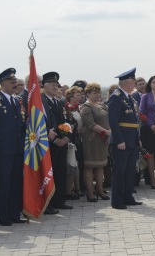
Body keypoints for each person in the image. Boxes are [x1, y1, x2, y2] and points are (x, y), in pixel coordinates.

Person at [108, 68, 142, 209]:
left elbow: (134, 120)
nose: (134, 84)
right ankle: (117, 200)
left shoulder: (129, 98)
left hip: (132, 139)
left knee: (129, 171)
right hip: (121, 140)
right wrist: (119, 140)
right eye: (133, 81)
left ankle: (128, 196)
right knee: (120, 171)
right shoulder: (116, 97)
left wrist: (137, 138)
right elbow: (113, 121)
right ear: (127, 82)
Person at [0, 68, 26, 226]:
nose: (15, 84)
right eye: (12, 82)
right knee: (4, 183)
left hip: (17, 149)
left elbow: (20, 124)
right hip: (3, 150)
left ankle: (14, 214)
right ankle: (3, 216)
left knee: (16, 182)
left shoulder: (16, 100)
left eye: (16, 81)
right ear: (2, 83)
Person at [42, 72, 73, 210]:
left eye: (57, 85)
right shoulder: (42, 101)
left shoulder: (59, 101)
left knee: (61, 172)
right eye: (53, 85)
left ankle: (59, 200)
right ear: (45, 86)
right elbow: (43, 124)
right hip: (49, 144)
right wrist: (55, 140)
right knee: (50, 173)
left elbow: (67, 121)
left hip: (62, 143)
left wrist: (66, 137)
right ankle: (49, 203)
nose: (56, 88)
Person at [80, 83, 111, 202]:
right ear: (88, 94)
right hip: (92, 140)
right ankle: (90, 192)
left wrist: (109, 132)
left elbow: (109, 120)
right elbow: (91, 124)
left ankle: (100, 190)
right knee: (90, 166)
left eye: (98, 92)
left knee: (101, 165)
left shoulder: (102, 105)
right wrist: (106, 132)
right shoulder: (86, 107)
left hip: (103, 139)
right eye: (94, 92)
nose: (97, 94)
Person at [63, 86, 84, 201]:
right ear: (70, 96)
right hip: (71, 140)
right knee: (71, 165)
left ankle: (77, 187)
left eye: (81, 95)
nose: (80, 97)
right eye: (77, 95)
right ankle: (69, 190)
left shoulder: (78, 108)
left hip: (78, 139)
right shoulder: (67, 108)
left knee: (77, 165)